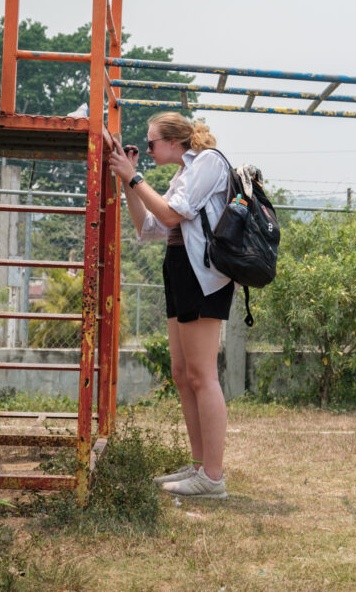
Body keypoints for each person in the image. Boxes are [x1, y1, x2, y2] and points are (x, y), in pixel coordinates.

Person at [107, 112, 233, 499]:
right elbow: (149, 228)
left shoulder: (208, 163)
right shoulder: (181, 174)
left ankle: (212, 477)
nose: (147, 150)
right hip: (179, 269)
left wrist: (133, 175)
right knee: (182, 373)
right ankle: (198, 466)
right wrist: (128, 183)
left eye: (152, 143)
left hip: (203, 276)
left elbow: (170, 213)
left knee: (202, 376)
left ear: (175, 142)